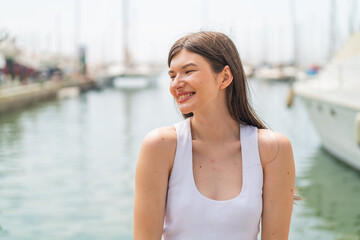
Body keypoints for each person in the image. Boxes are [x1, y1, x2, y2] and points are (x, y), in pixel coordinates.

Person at [134, 31, 296, 240]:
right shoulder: (160, 146)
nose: (176, 84)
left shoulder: (273, 149)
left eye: (188, 71)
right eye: (172, 75)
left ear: (225, 77)